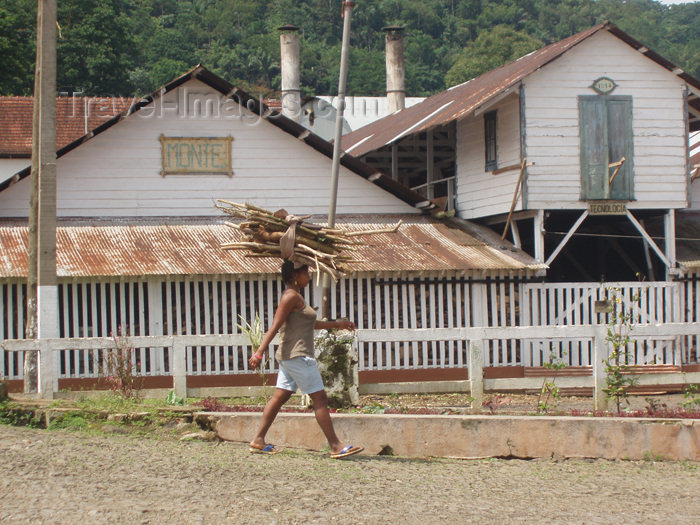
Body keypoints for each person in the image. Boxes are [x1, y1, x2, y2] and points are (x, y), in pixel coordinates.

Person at [248, 260, 363, 459]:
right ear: (295, 276)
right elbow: (275, 326)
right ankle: (335, 445)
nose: (309, 277)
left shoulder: (295, 297)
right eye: (306, 273)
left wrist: (338, 324)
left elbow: (311, 324)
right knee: (319, 398)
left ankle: (258, 440)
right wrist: (259, 352)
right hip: (297, 356)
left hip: (289, 356)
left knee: (279, 397)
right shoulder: (290, 296)